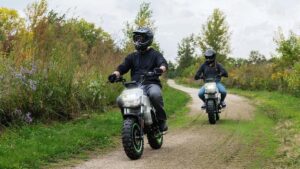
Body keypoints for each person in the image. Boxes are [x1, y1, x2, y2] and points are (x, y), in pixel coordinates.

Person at [108, 27, 168, 132]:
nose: (138, 41)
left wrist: (160, 69)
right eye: (136, 38)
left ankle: (161, 119)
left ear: (148, 39)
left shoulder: (155, 54)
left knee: (155, 95)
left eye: (141, 38)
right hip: (135, 85)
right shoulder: (132, 56)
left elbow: (162, 63)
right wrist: (115, 74)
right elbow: (123, 67)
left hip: (151, 83)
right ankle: (130, 120)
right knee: (120, 100)